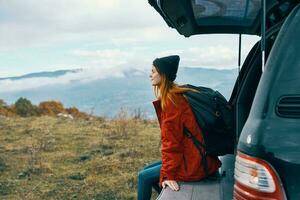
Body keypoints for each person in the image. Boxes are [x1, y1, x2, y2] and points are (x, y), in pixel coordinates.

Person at [137, 55, 221, 200]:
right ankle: (166, 193)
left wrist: (169, 175)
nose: (150, 75)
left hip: (195, 163)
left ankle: (170, 192)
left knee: (143, 177)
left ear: (163, 74)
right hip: (197, 156)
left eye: (153, 71)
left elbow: (172, 144)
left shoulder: (171, 102)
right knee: (147, 171)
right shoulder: (177, 94)